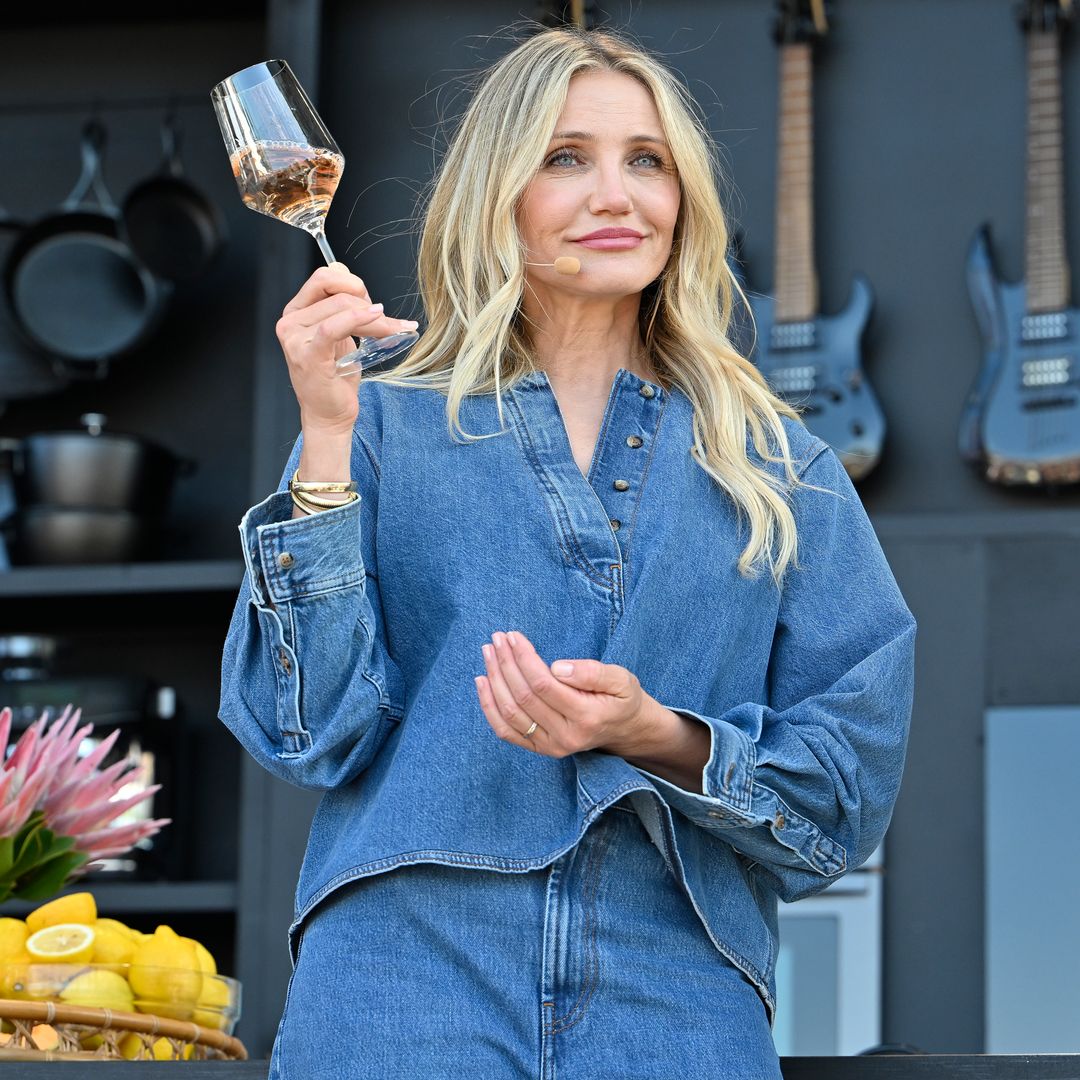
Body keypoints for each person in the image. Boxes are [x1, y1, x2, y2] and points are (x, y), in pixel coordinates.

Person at [218, 24, 916, 1080]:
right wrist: (322, 430)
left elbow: (844, 790)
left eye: (647, 161)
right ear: (500, 192)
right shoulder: (378, 423)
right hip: (400, 987)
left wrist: (661, 733)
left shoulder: (781, 465)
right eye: (565, 158)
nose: (616, 196)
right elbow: (301, 731)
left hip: (676, 990)